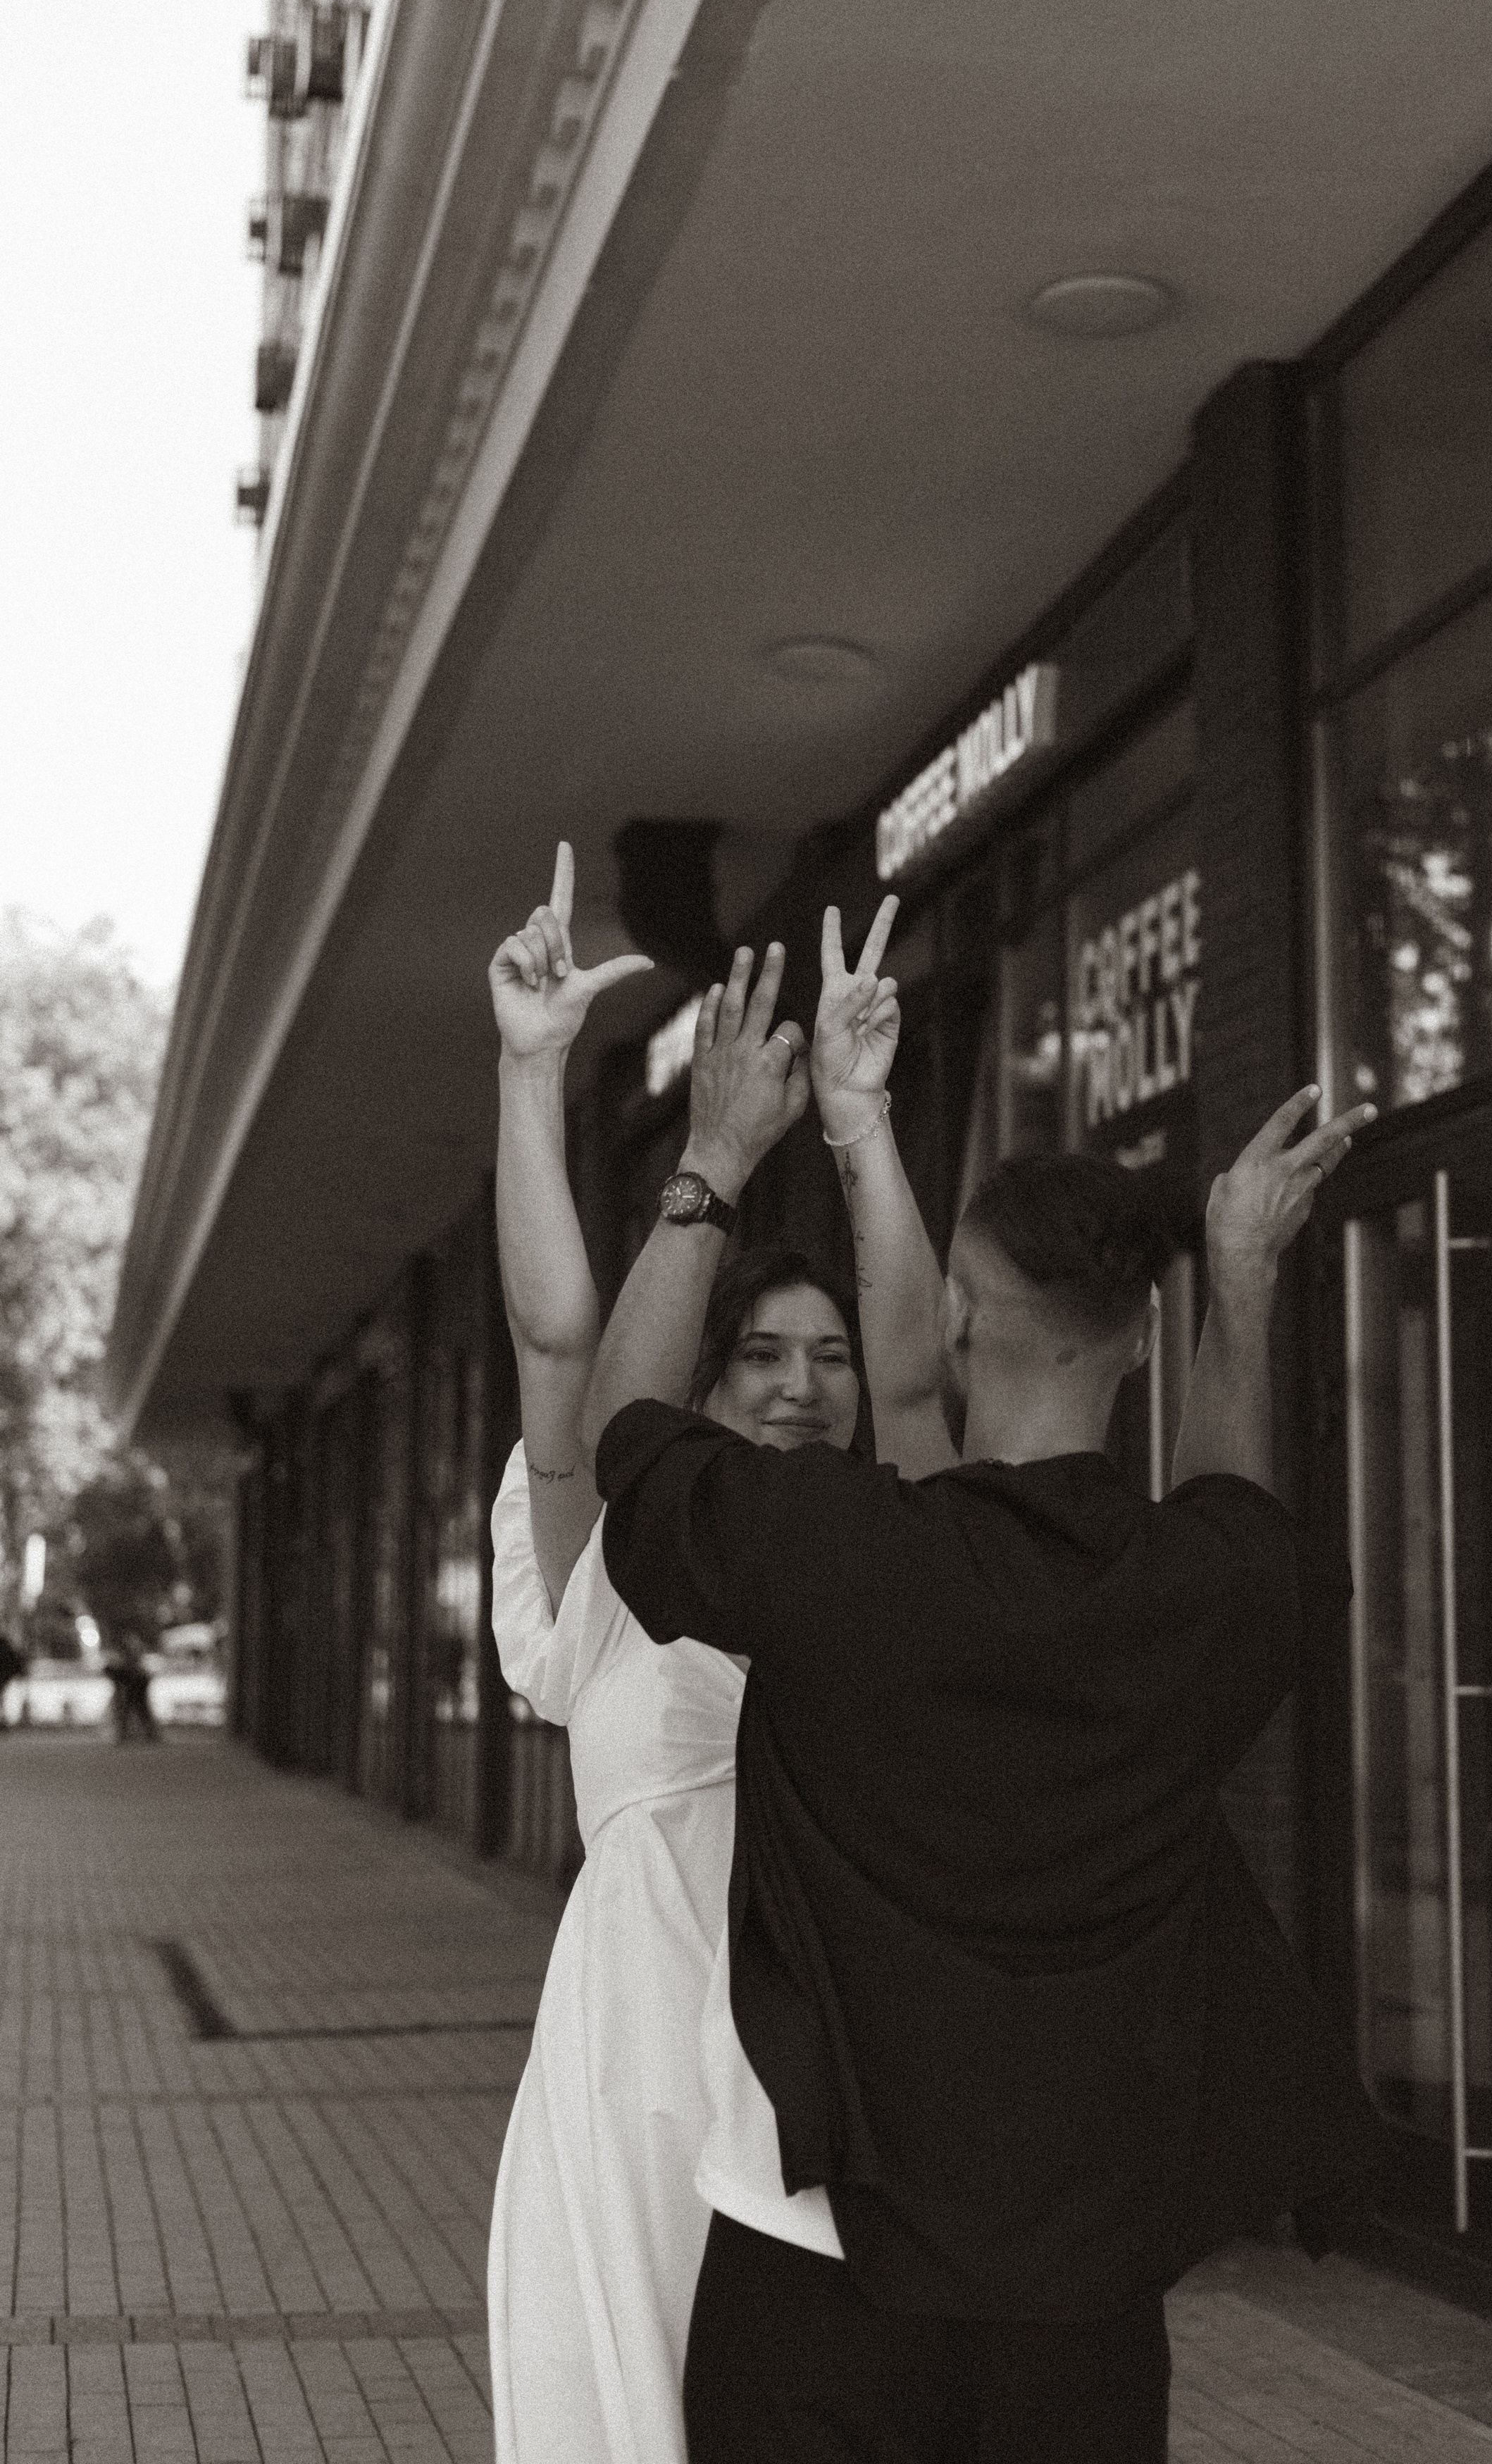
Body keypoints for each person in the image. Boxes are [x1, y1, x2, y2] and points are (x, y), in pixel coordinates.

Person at [583, 897, 1383, 2464]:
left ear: (952, 1318)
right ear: (1135, 1343)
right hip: (1078, 2302)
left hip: (816, 2261)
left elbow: (628, 1442)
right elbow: (1233, 1506)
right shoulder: (1204, 1597)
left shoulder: (835, 1557)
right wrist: (1242, 1279)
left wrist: (721, 1163)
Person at [483, 847, 865, 2464]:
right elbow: (559, 1339)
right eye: (760, 1355)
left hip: (834, 2027)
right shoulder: (609, 1564)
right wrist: (531, 1071)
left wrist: (862, 1129)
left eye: (822, 1356)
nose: (798, 1385)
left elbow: (918, 1384)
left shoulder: (876, 1561)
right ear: (696, 1387)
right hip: (641, 2041)